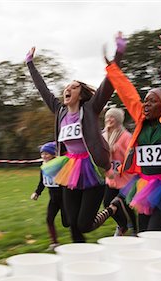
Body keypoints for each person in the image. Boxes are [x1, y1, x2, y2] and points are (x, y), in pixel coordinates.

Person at [25, 33, 131, 243]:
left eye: (74, 87)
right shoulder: (60, 112)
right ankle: (80, 258)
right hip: (69, 167)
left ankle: (113, 208)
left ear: (81, 94)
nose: (68, 89)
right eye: (67, 87)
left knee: (83, 224)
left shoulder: (90, 109)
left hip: (92, 168)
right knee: (70, 222)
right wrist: (30, 64)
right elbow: (43, 89)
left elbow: (110, 83)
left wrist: (119, 53)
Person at [105, 33, 161, 232]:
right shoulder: (141, 120)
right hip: (144, 185)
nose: (146, 104)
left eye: (152, 101)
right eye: (145, 100)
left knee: (156, 232)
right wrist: (112, 70)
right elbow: (128, 94)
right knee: (143, 232)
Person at [102, 107, 138, 236]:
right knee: (107, 203)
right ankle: (122, 225)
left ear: (118, 120)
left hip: (125, 178)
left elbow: (131, 155)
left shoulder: (125, 136)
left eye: (112, 117)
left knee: (127, 205)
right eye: (107, 117)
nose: (109, 119)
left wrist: (116, 150)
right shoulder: (104, 135)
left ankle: (135, 229)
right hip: (111, 177)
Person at [30, 142, 69, 250]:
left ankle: (77, 239)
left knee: (67, 222)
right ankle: (54, 243)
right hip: (53, 199)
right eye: (42, 154)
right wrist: (37, 193)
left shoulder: (60, 165)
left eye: (47, 154)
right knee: (49, 219)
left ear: (53, 154)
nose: (44, 156)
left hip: (64, 198)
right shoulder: (44, 167)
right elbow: (42, 182)